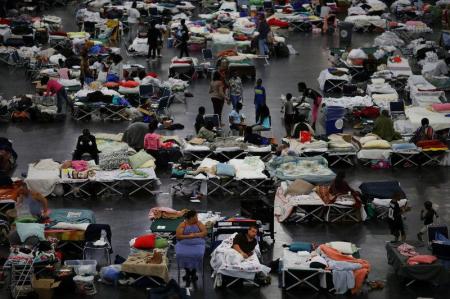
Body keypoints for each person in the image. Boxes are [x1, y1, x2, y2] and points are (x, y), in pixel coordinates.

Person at [175, 210, 207, 287]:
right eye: (195, 216)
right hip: (184, 243)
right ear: (190, 218)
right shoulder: (183, 224)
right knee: (181, 254)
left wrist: (195, 234)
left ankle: (193, 271)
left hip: (198, 243)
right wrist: (189, 236)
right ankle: (187, 271)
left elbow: (204, 233)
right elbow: (178, 236)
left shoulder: (199, 223)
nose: (197, 218)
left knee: (198, 254)